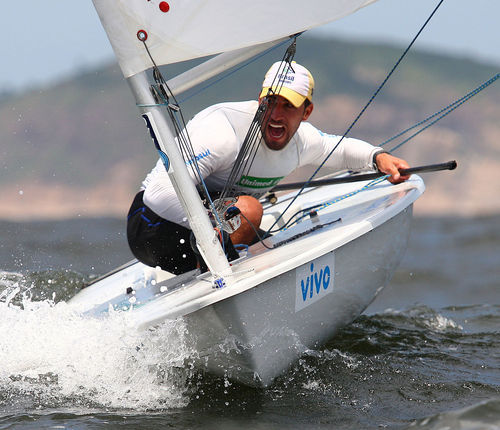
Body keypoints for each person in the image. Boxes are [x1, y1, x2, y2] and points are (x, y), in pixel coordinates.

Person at [127, 61, 410, 275]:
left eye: (288, 106)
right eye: (271, 102)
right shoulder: (223, 131)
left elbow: (340, 149)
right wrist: (209, 229)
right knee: (250, 211)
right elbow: (158, 193)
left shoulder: (302, 140)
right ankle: (215, 278)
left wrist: (380, 158)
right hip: (152, 225)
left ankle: (218, 274)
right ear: (260, 100)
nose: (276, 115)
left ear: (306, 112)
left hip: (206, 232)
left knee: (274, 251)